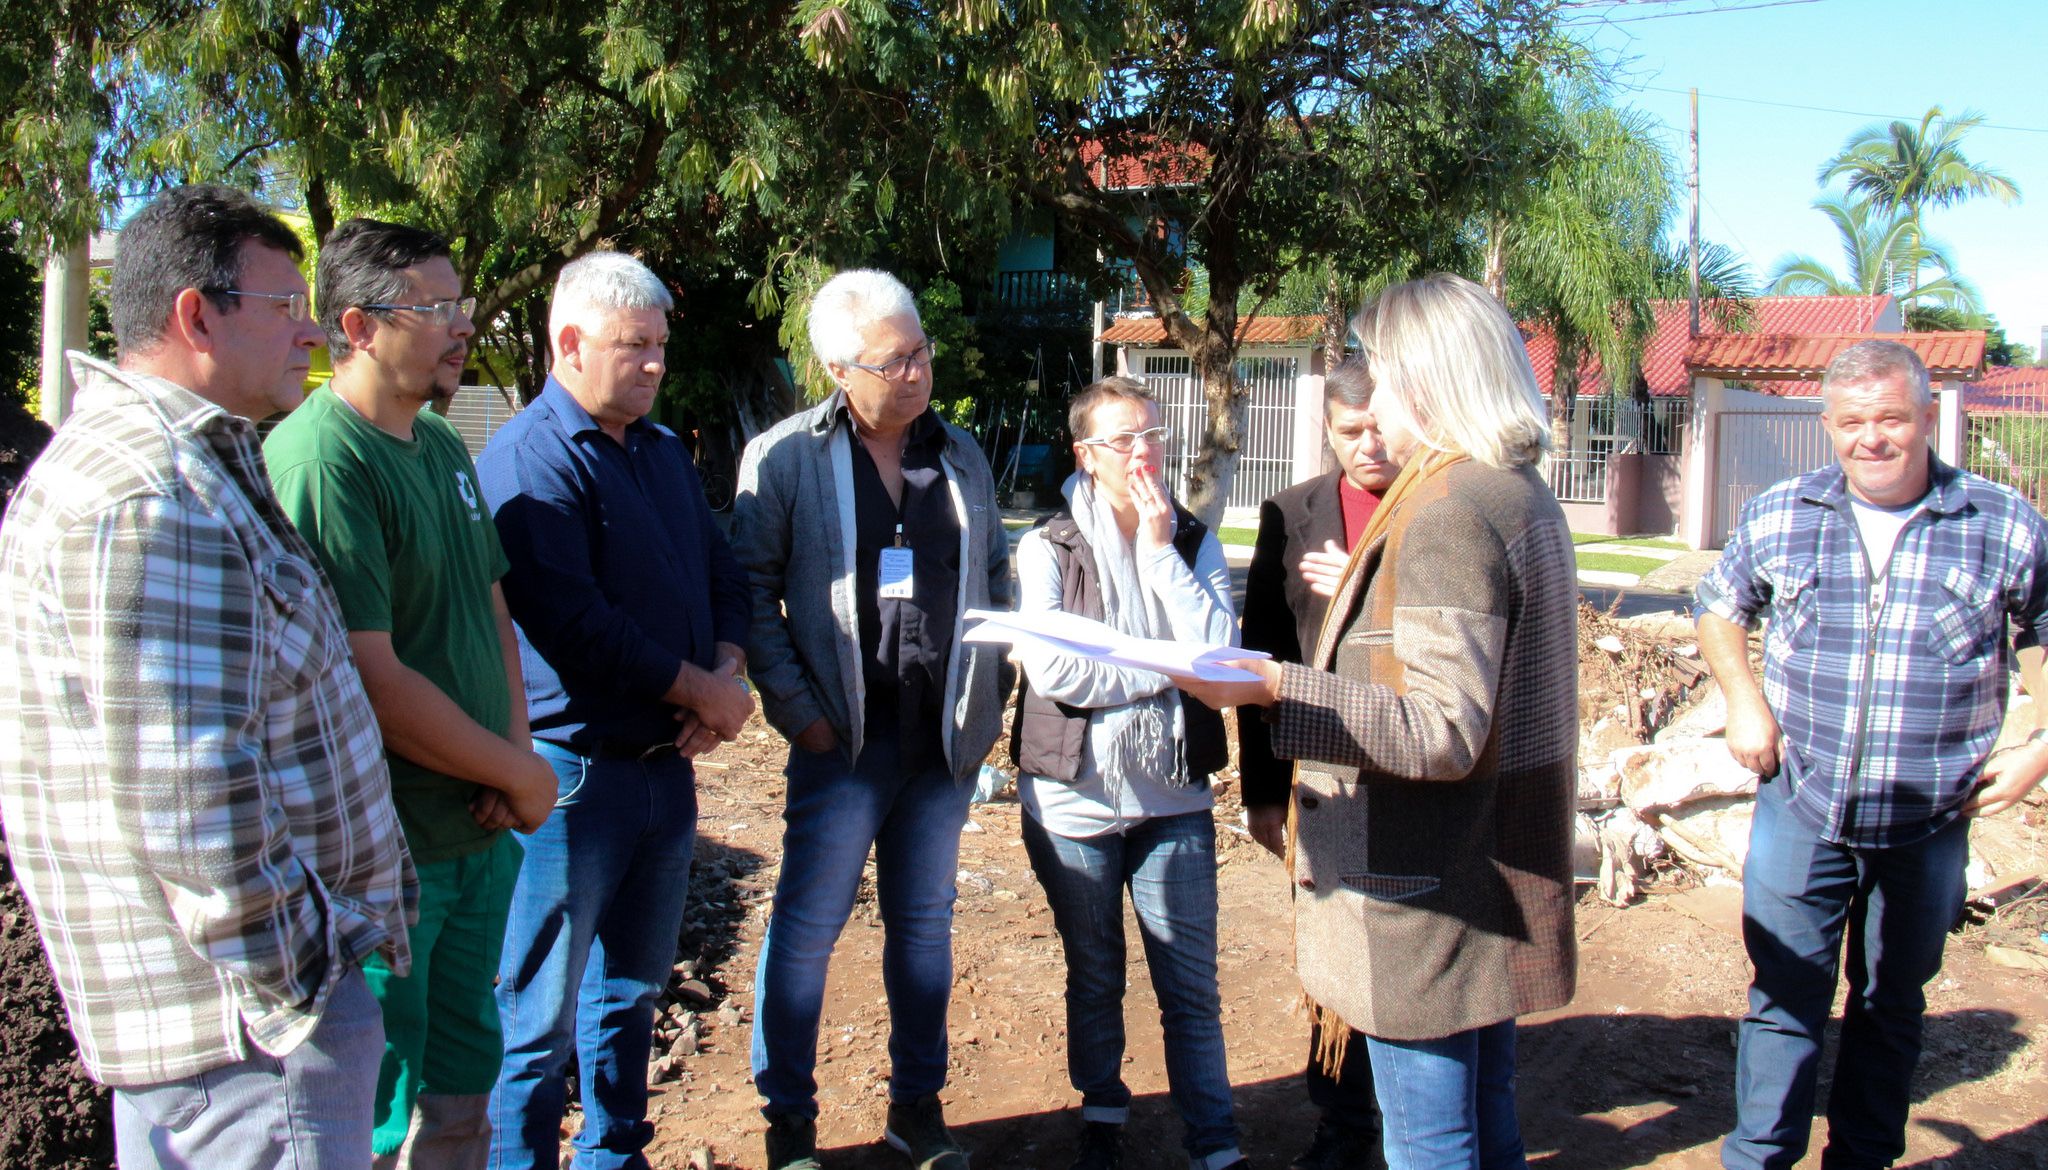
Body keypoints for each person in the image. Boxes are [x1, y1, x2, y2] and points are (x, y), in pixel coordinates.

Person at [0, 184, 414, 1168]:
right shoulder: (152, 494)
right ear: (197, 316)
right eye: (285, 306)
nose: (311, 331)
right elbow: (190, 798)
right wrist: (306, 985)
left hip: (231, 1039)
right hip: (250, 1048)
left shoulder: (170, 465)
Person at [1172, 273, 1578, 1170]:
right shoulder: (1513, 492)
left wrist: (1275, 687)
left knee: (1431, 1144)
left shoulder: (1449, 512)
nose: (1374, 399)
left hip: (1420, 885)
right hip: (1481, 865)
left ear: (1428, 380)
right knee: (1490, 1127)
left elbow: (1441, 729)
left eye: (1384, 374)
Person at [1696, 339, 2048, 1170]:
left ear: (1927, 416)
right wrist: (1743, 701)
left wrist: (2042, 749)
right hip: (1801, 801)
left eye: (1891, 418)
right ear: (1828, 423)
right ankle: (1759, 1158)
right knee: (1783, 996)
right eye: (1853, 421)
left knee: (1891, 1004)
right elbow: (1720, 608)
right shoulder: (1783, 511)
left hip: (1930, 817)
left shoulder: (2001, 523)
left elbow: (2043, 631)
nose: (1872, 438)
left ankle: (1862, 1159)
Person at [266, 218, 556, 1168]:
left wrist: (513, 763)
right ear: (356, 326)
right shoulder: (324, 463)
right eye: (434, 309)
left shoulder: (436, 444)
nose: (461, 325)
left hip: (476, 833)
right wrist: (515, 773)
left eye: (458, 303)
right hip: (389, 862)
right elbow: (371, 675)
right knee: (377, 1109)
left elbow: (490, 607)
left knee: (465, 1084)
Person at [729, 268, 1014, 1170]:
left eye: (921, 352)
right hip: (841, 745)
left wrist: (990, 695)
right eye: (894, 362)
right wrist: (800, 714)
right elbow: (750, 593)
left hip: (939, 743)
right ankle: (789, 1122)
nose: (917, 372)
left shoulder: (960, 454)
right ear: (837, 370)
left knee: (924, 928)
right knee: (808, 931)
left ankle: (916, 1108)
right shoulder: (787, 459)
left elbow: (996, 575)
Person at [479, 251, 755, 1170]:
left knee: (631, 992)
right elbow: (576, 625)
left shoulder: (663, 452)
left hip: (662, 773)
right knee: (536, 1016)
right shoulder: (530, 459)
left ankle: (614, 1154)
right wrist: (702, 691)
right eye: (634, 345)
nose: (654, 363)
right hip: (574, 779)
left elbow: (722, 573)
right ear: (569, 343)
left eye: (660, 345)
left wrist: (727, 671)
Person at [1008, 377, 1246, 1170]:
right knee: (1095, 973)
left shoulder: (1192, 541)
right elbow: (1056, 671)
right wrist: (1164, 671)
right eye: (1123, 440)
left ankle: (1215, 1144)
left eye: (1153, 435)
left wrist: (1159, 553)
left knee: (1191, 985)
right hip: (1071, 801)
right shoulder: (1047, 546)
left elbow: (1217, 657)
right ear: (1087, 455)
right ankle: (1103, 1113)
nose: (1144, 452)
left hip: (1172, 798)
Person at [1238, 357, 1399, 1170]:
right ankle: (1342, 1124)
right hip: (1321, 779)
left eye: (1380, 427)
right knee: (1333, 955)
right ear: (1328, 432)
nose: (1370, 446)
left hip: (1417, 773)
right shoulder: (1290, 513)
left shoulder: (1436, 509)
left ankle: (1414, 1123)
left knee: (1406, 958)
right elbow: (1262, 656)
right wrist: (1263, 793)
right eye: (1350, 431)